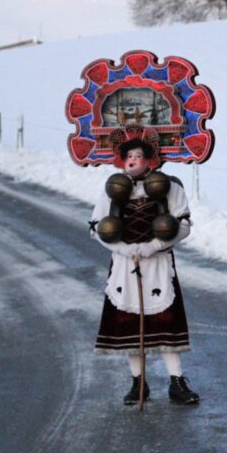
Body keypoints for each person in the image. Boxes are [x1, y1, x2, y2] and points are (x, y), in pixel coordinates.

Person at [91, 128, 199, 405]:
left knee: (166, 322)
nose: (133, 160)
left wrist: (154, 246)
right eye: (129, 155)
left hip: (159, 263)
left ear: (149, 159)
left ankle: (176, 382)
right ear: (122, 160)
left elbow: (183, 225)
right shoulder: (112, 190)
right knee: (129, 323)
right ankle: (138, 383)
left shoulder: (170, 187)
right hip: (124, 266)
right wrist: (123, 249)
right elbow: (96, 228)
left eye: (139, 155)